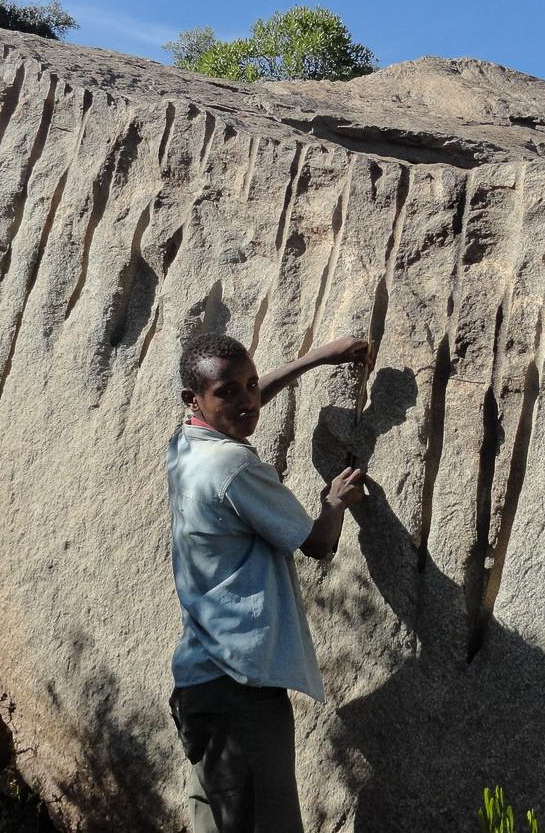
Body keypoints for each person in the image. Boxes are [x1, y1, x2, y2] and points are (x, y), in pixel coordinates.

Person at [166, 332, 372, 833]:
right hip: (240, 693)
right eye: (228, 392)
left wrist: (316, 359)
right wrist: (334, 502)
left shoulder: (186, 445)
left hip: (201, 690)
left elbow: (241, 403)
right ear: (193, 400)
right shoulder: (234, 466)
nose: (247, 401)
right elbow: (316, 545)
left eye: (252, 385)